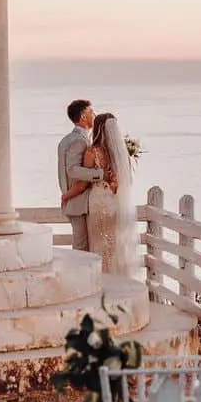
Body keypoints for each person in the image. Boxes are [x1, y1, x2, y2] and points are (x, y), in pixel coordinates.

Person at [82, 112, 140, 276]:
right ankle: (116, 277)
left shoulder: (92, 152)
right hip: (114, 201)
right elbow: (126, 181)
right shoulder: (123, 156)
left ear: (98, 129)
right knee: (113, 243)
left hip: (98, 201)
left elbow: (84, 180)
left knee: (98, 241)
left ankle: (100, 278)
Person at [57, 98, 105, 251]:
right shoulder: (79, 140)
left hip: (74, 200)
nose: (94, 114)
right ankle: (77, 275)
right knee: (81, 248)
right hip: (78, 201)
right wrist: (101, 174)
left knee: (82, 247)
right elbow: (73, 170)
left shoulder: (68, 139)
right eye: (92, 111)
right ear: (83, 116)